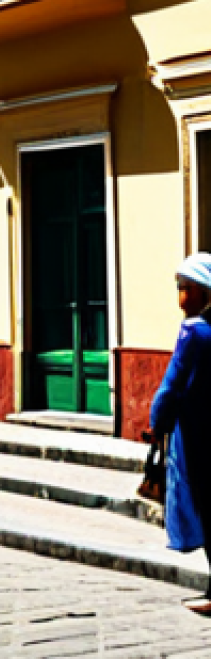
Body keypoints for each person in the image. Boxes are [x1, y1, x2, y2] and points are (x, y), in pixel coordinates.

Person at [150, 251, 211, 613]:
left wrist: (158, 422)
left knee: (205, 506)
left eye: (183, 287)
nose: (181, 296)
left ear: (202, 291)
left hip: (198, 435)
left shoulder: (194, 332)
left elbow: (172, 385)